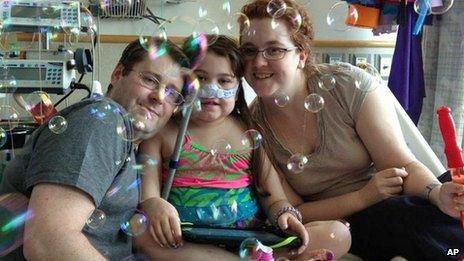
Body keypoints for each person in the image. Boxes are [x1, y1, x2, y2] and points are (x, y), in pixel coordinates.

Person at [238, 0, 464, 260]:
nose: (258, 62)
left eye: (274, 50)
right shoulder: (252, 128)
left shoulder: (348, 86)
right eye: (249, 51)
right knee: (401, 217)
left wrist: (437, 194)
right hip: (347, 224)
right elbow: (294, 212)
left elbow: (402, 167)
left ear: (301, 55)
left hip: (398, 200)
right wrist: (364, 196)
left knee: (447, 195)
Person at [133, 35, 351, 261]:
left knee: (339, 234)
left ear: (237, 88)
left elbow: (273, 197)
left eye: (224, 81)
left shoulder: (248, 130)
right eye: (200, 78)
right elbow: (148, 198)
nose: (211, 89)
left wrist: (284, 215)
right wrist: (154, 205)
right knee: (142, 237)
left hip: (250, 239)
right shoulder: (162, 133)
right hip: (187, 239)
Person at [0, 38, 187, 260]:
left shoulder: (125, 140)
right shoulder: (103, 121)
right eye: (149, 79)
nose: (159, 97)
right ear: (118, 74)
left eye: (172, 94)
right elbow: (48, 243)